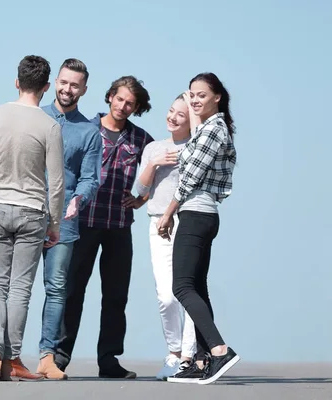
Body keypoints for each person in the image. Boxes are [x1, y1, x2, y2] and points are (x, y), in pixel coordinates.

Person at [55, 76, 154, 379]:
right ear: (110, 97)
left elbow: (161, 173)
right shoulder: (85, 129)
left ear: (136, 108)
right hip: (82, 223)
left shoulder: (141, 139)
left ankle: (109, 360)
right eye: (120, 99)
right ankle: (59, 358)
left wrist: (143, 197)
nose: (123, 106)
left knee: (115, 296)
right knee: (72, 292)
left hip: (119, 227)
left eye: (130, 103)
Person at [0, 55, 65, 382]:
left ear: (17, 82)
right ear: (45, 87)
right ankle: (12, 360)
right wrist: (54, 223)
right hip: (31, 212)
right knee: (20, 289)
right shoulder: (50, 126)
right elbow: (56, 182)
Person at [157, 72, 240, 385]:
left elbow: (189, 176)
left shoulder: (213, 129)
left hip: (195, 214)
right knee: (197, 287)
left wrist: (167, 213)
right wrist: (193, 107)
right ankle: (205, 359)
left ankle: (220, 350)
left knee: (181, 287)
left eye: (201, 95)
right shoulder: (208, 127)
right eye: (191, 94)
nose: (194, 99)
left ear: (217, 97)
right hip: (201, 214)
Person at [36, 59, 102, 380]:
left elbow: (91, 178)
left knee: (57, 287)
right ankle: (5, 355)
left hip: (65, 217)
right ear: (54, 82)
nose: (68, 89)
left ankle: (47, 357)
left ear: (84, 90)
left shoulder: (90, 131)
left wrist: (79, 200)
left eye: (75, 84)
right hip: (28, 211)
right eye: (63, 82)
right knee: (16, 286)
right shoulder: (35, 116)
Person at [134, 93, 197, 380]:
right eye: (171, 111)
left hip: (187, 222)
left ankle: (187, 355)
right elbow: (141, 190)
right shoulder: (154, 147)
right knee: (166, 295)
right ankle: (173, 352)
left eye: (180, 114)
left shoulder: (196, 148)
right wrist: (154, 163)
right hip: (157, 223)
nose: (172, 117)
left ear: (191, 119)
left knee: (189, 291)